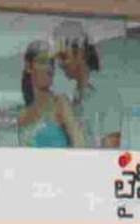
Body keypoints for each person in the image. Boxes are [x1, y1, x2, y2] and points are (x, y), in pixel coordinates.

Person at [53, 20, 123, 148]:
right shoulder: (77, 96)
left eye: (63, 57)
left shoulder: (106, 91)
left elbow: (110, 154)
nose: (60, 64)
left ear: (79, 53)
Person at [17, 40, 84, 148]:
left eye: (51, 63)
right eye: (42, 62)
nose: (49, 68)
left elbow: (80, 144)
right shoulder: (22, 115)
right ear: (29, 67)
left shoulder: (60, 103)